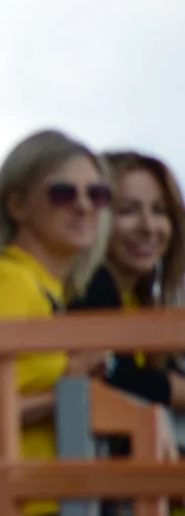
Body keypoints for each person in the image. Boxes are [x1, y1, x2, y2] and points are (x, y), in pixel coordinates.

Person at [0, 130, 111, 516]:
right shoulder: (7, 281)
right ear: (18, 205)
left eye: (97, 195)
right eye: (63, 193)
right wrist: (66, 393)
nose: (84, 206)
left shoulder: (43, 289)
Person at [70, 152, 185, 410]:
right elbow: (114, 375)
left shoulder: (139, 297)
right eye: (127, 211)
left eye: (159, 211)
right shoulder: (91, 285)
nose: (148, 226)